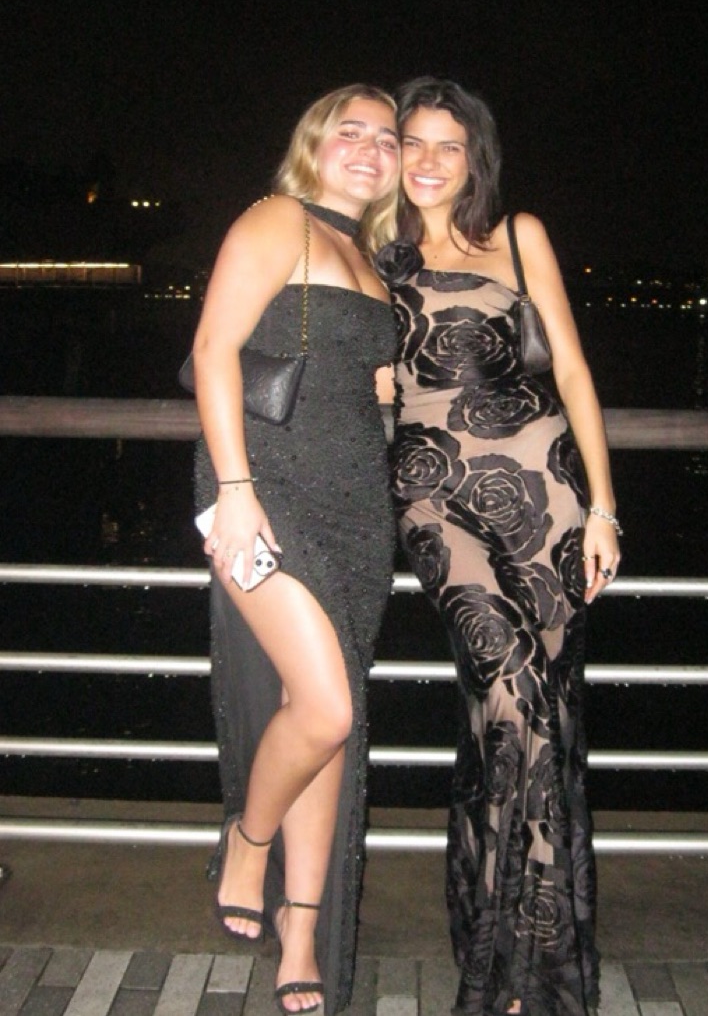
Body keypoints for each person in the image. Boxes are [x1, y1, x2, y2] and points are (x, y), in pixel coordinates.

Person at [380, 78, 620, 1016]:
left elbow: (572, 368)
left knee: (528, 723)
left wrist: (603, 509)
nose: (429, 161)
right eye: (413, 142)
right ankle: (506, 965)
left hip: (547, 499)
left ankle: (524, 964)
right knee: (513, 695)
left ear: (474, 157)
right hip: (434, 501)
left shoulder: (519, 236)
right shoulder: (375, 249)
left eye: (449, 145)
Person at [190, 84, 399, 1015]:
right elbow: (214, 349)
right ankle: (248, 838)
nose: (369, 148)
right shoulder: (277, 218)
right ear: (313, 142)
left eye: (385, 138)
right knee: (326, 707)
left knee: (327, 721)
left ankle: (301, 932)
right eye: (350, 131)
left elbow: (372, 388)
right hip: (262, 492)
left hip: (357, 505)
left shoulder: (374, 256)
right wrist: (235, 492)